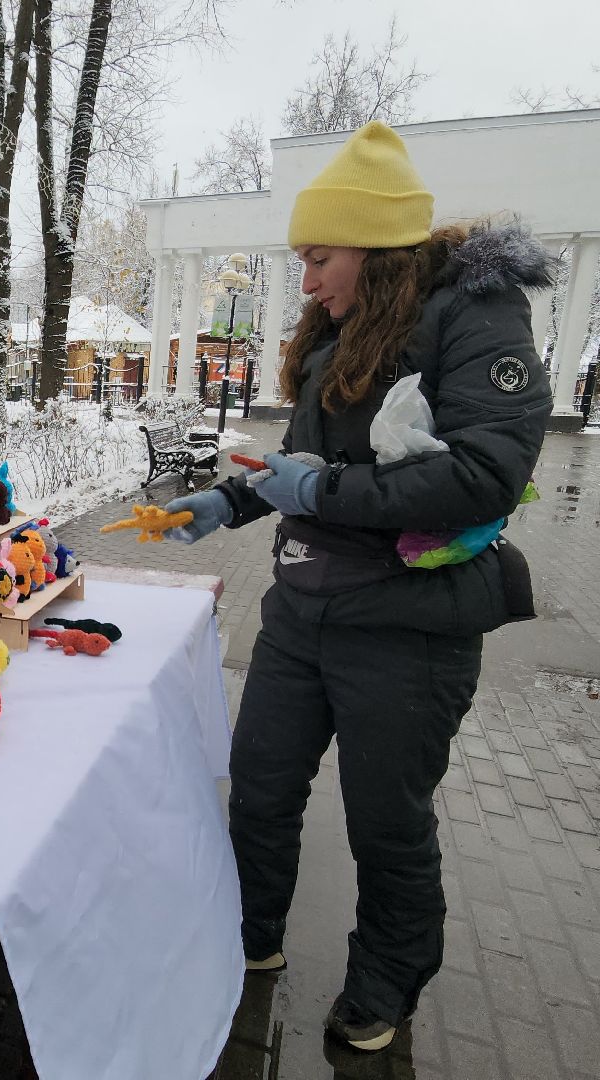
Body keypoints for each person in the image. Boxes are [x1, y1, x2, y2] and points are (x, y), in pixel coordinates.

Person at [165, 121, 552, 1053]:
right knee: (259, 789)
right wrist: (234, 498)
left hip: (411, 629)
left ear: (377, 252)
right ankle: (251, 939)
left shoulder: (477, 318)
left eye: (319, 256)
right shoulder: (340, 335)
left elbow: (483, 473)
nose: (305, 280)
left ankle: (383, 985)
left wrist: (320, 490)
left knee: (387, 823)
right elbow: (313, 460)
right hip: (303, 612)